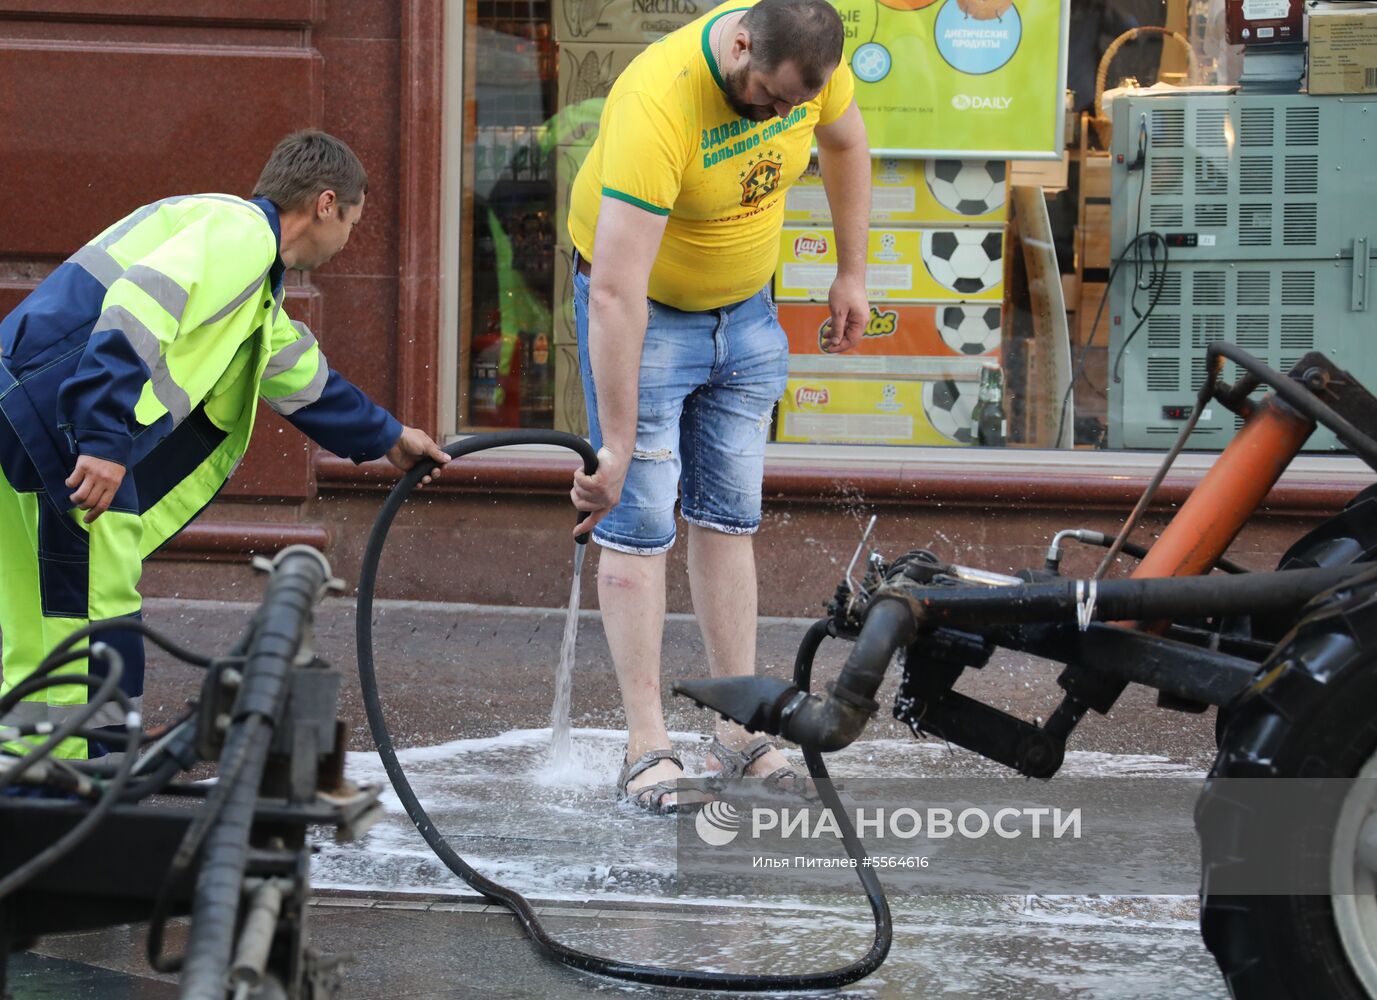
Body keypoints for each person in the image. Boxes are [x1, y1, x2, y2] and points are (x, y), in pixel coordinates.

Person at [0, 130, 451, 759]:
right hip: (68, 426)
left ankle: (27, 764)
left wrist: (389, 438)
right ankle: (93, 772)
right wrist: (102, 439)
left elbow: (298, 374)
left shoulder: (245, 271)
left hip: (25, 406)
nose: (349, 240)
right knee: (96, 599)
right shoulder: (241, 237)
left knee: (38, 608)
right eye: (351, 220)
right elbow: (136, 310)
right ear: (325, 204)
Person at [566, 0, 871, 812]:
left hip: (745, 313)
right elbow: (616, 293)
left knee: (729, 518)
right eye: (768, 98)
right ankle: (646, 746)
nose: (780, 115)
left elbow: (845, 143)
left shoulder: (808, 70)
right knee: (638, 522)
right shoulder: (657, 101)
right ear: (739, 46)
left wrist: (851, 271)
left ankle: (739, 730)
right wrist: (619, 445)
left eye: (793, 105)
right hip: (648, 317)